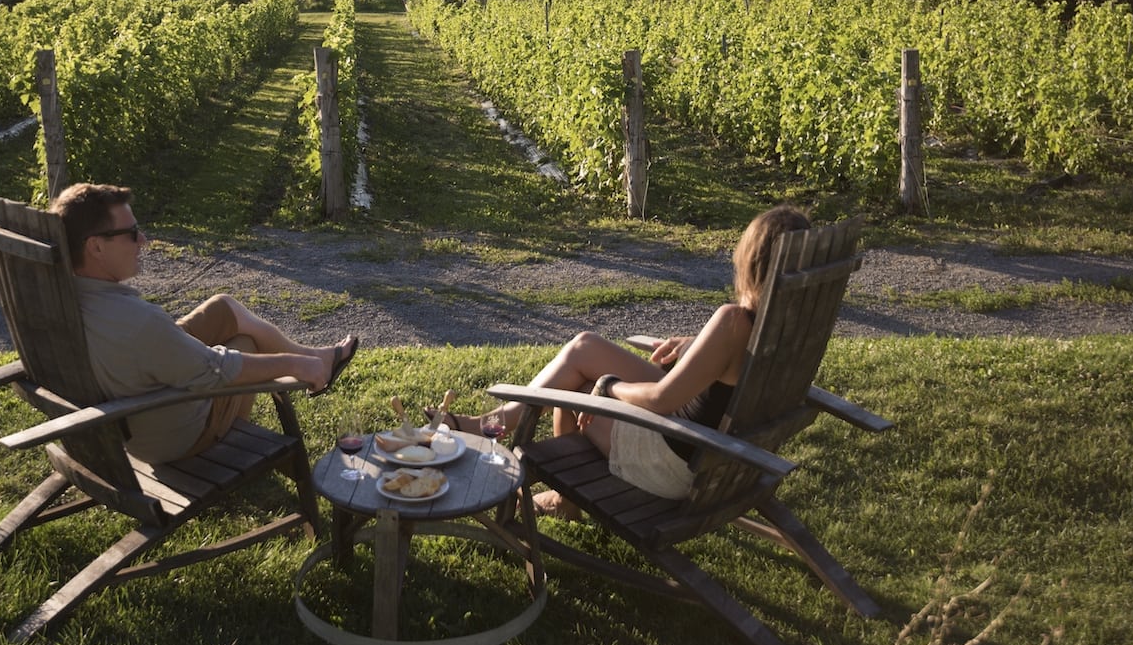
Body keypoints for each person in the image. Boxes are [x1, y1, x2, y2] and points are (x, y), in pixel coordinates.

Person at [444, 205, 811, 517]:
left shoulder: (733, 321)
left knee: (583, 389)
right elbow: (730, 366)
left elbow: (662, 400)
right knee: (584, 346)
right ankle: (489, 424)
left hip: (673, 462)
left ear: (753, 261)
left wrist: (609, 387)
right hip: (715, 450)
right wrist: (699, 344)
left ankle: (564, 499)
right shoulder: (791, 323)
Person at [48, 182, 359, 465]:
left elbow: (150, 344)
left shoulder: (66, 296)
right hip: (172, 438)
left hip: (134, 400)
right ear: (96, 247)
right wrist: (294, 366)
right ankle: (305, 370)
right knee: (245, 344)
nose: (142, 240)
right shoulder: (137, 323)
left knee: (223, 308)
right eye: (131, 232)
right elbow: (218, 369)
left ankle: (317, 357)